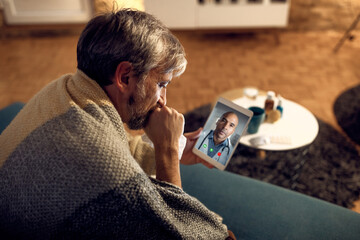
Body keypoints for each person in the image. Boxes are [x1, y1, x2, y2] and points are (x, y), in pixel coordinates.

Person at [0, 9, 235, 239]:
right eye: (162, 85)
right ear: (124, 77)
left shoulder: (63, 89)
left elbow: (117, 143)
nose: (164, 101)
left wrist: (177, 146)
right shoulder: (104, 168)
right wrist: (167, 152)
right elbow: (174, 232)